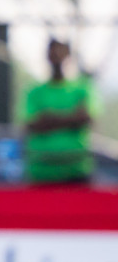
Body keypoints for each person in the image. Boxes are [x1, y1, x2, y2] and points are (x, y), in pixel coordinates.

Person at [23, 38, 98, 185]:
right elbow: (33, 125)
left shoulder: (82, 89)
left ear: (69, 56)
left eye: (61, 53)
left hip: (77, 171)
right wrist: (71, 118)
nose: (57, 58)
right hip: (41, 172)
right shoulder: (34, 92)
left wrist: (49, 118)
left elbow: (85, 120)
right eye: (53, 53)